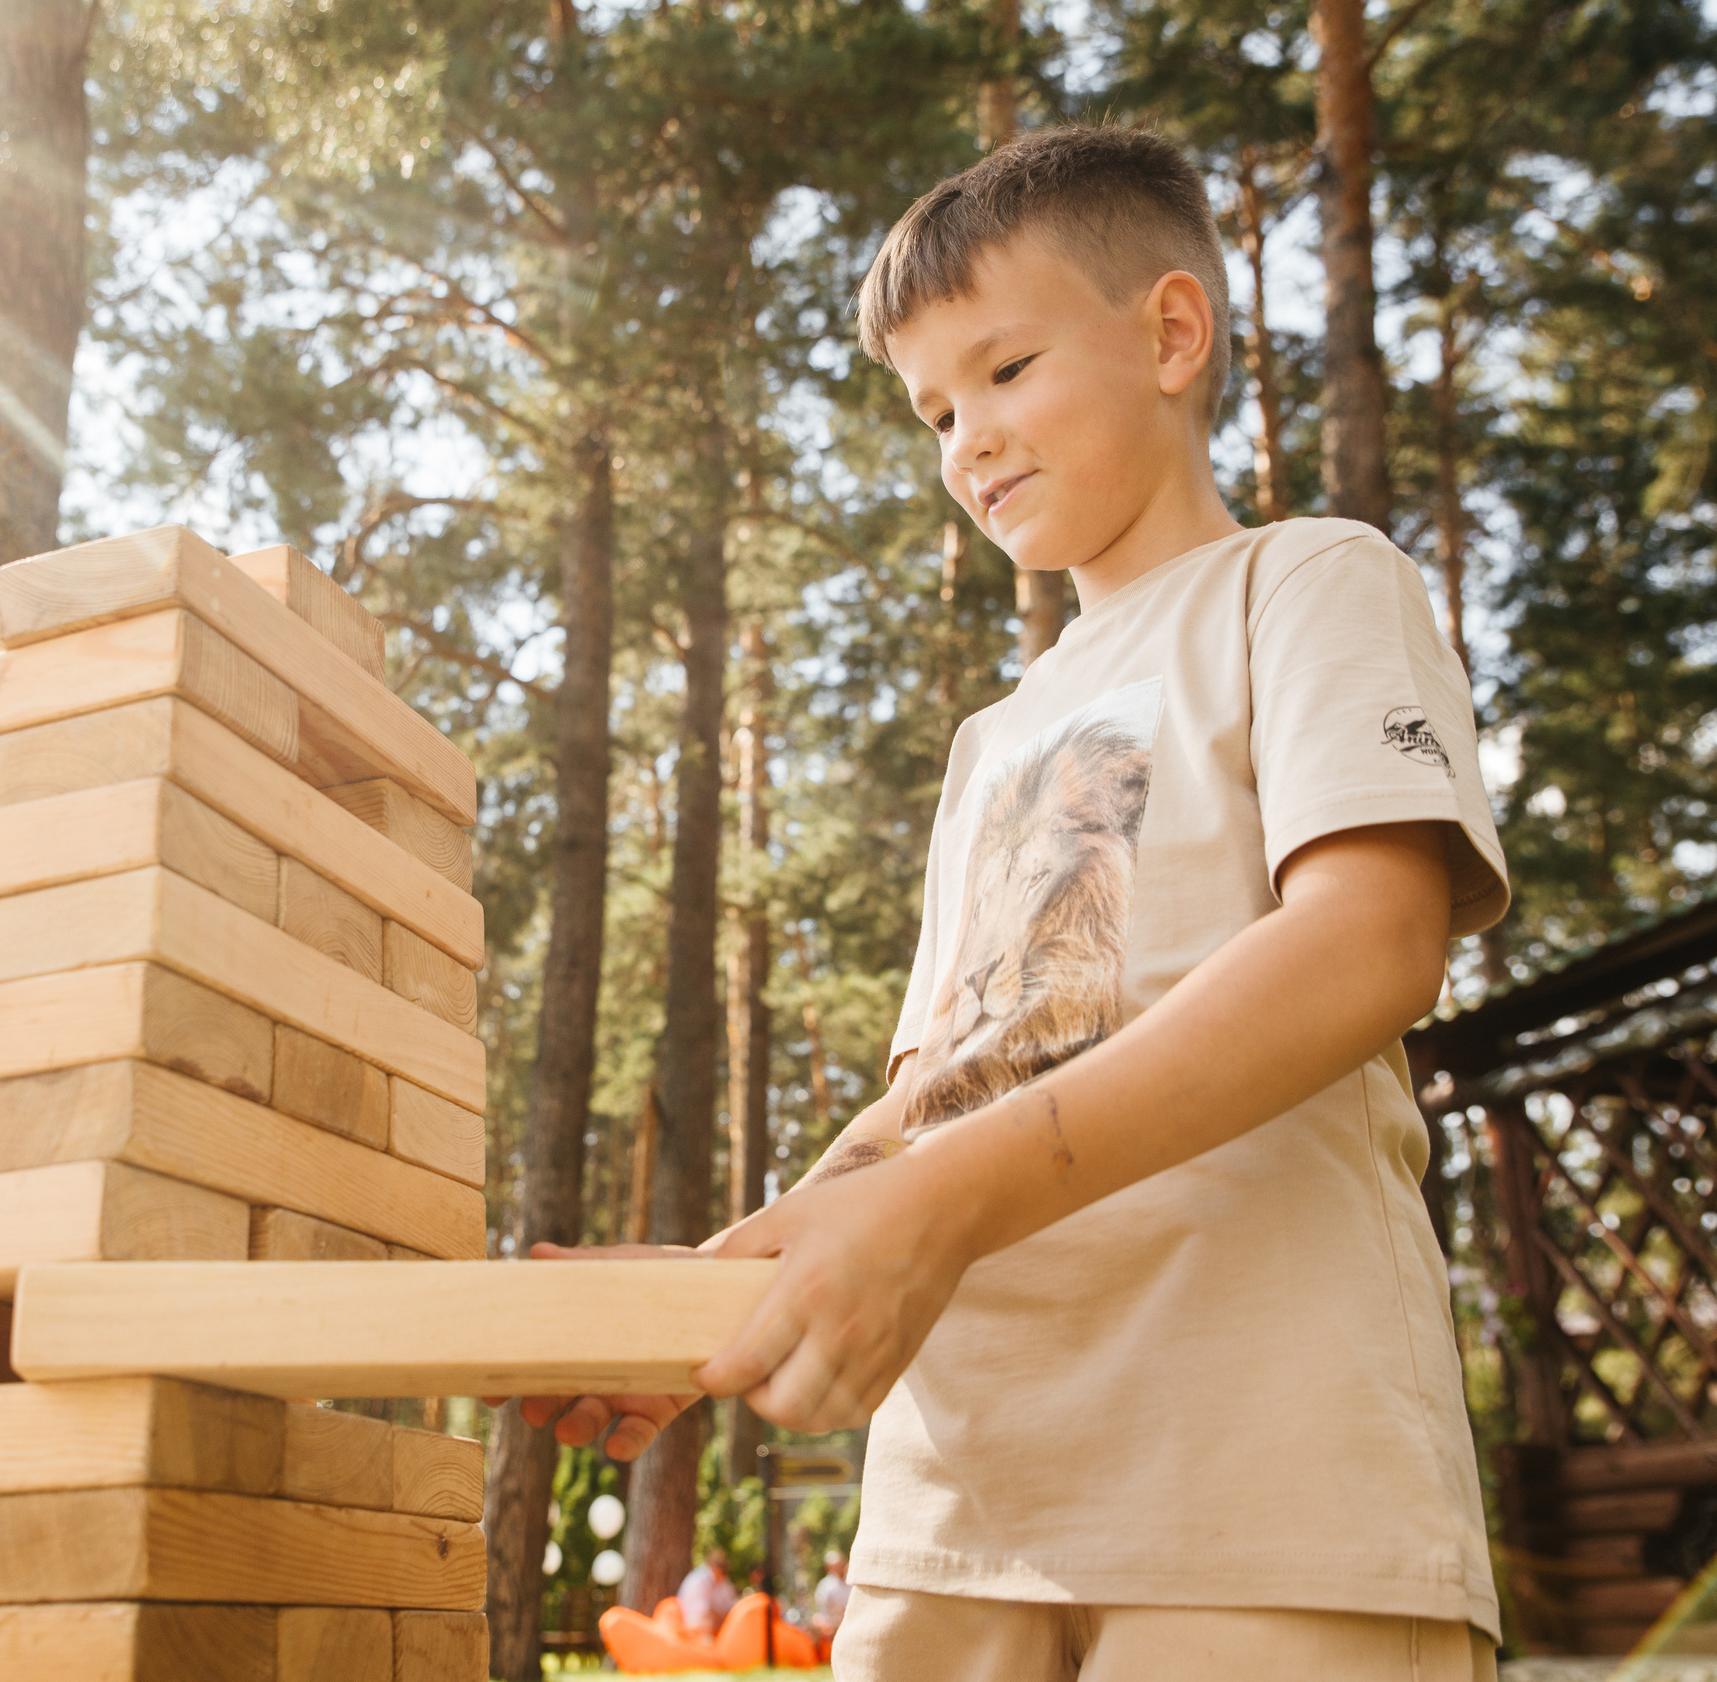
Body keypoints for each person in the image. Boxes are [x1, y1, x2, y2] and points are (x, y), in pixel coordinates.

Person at [519, 125, 1505, 1682]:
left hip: (1260, 1477)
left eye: (1007, 368)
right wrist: (699, 1296)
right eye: (932, 408)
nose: (966, 437)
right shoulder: (993, 739)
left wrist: (944, 1203)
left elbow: (1372, 940)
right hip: (960, 1499)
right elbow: (941, 1092)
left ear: (1172, 334)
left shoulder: (1307, 582)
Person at [676, 1548, 738, 1636]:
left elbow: (732, 1605)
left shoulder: (722, 1581)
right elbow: (705, 1612)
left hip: (708, 1623)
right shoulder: (700, 1579)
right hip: (692, 1621)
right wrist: (724, 1615)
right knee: (709, 1621)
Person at [812, 1551, 851, 1643]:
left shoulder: (850, 1583)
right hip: (831, 1629)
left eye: (841, 1564)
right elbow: (821, 1611)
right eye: (837, 1566)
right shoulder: (825, 1586)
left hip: (849, 1625)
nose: (840, 1568)